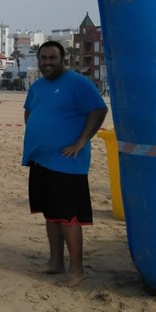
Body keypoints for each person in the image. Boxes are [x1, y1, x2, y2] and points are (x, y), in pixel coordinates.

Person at [22, 40, 108, 287]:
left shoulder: (77, 83)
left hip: (67, 162)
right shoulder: (37, 86)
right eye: (44, 58)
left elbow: (99, 110)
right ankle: (55, 262)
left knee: (69, 217)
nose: (47, 62)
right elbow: (29, 111)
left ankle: (76, 271)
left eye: (52, 58)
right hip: (41, 160)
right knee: (51, 215)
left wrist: (82, 141)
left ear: (62, 59)